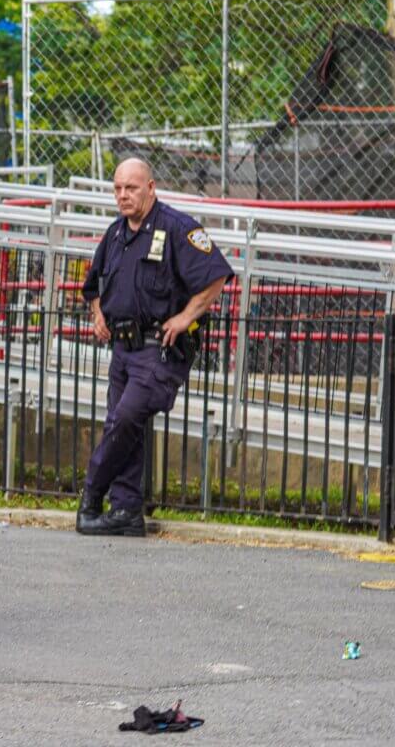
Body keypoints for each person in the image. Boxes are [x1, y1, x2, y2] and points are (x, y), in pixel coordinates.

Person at [77, 158, 233, 537]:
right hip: (122, 349)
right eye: (117, 188)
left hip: (158, 349)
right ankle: (126, 510)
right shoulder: (116, 234)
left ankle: (91, 493)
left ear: (150, 187)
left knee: (125, 420)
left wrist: (184, 318)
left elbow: (216, 277)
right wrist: (99, 314)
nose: (123, 195)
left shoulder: (178, 228)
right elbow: (93, 286)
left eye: (131, 188)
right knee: (125, 427)